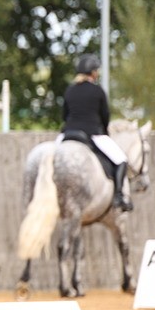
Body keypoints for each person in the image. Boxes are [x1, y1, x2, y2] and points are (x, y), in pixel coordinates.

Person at [61, 54, 133, 211]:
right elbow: (105, 116)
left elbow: (64, 115)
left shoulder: (70, 90)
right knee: (121, 160)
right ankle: (119, 196)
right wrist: (105, 131)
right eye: (96, 71)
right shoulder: (97, 91)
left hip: (68, 134)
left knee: (51, 158)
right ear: (92, 73)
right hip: (92, 133)